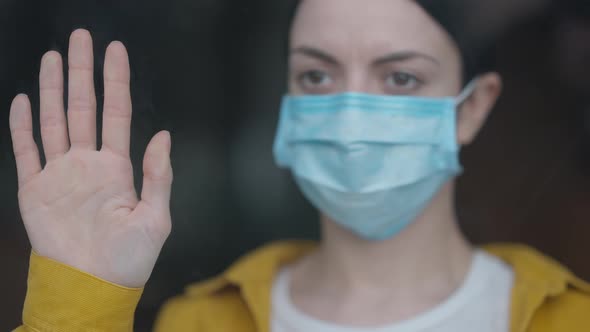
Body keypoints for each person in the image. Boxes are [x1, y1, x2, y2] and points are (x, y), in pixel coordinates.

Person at [9, 0, 590, 331]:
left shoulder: (570, 320)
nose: (351, 111)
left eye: (401, 77)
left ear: (473, 107)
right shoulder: (201, 324)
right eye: (317, 75)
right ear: (285, 97)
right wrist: (77, 304)